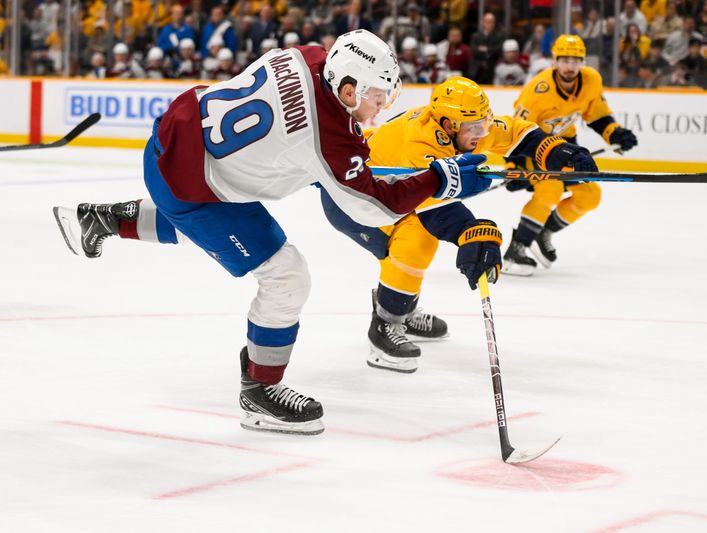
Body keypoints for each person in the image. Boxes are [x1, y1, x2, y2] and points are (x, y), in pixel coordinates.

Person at [52, 31, 495, 436]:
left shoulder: (308, 56)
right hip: (194, 185)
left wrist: (336, 164)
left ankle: (103, 219)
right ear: (348, 90)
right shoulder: (327, 138)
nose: (382, 106)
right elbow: (371, 208)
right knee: (287, 276)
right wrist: (442, 181)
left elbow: (308, 137)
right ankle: (260, 391)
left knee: (207, 232)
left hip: (178, 135)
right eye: (377, 96)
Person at [318, 77, 598, 373]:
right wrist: (471, 232)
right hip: (353, 202)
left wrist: (557, 150)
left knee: (411, 239)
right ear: (449, 125)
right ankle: (386, 324)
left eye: (484, 124)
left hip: (391, 194)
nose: (482, 134)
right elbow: (434, 210)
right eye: (474, 128)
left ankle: (402, 305)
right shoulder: (421, 142)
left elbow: (516, 130)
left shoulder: (464, 125)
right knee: (416, 239)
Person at [508, 34, 637, 275]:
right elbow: (517, 130)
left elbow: (597, 114)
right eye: (565, 60)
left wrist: (614, 133)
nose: (570, 66)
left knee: (589, 195)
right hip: (535, 147)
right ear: (555, 61)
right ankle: (517, 248)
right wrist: (515, 166)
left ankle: (542, 232)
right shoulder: (538, 90)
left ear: (583, 62)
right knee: (550, 191)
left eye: (576, 60)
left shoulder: (591, 80)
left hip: (568, 146)